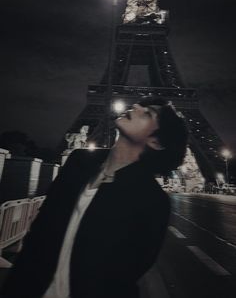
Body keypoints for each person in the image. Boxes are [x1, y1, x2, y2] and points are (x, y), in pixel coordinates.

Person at [0, 96, 188, 298]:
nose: (135, 106)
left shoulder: (152, 201)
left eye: (148, 113)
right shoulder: (78, 162)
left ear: (156, 142)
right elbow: (40, 232)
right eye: (140, 105)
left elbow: (125, 275)